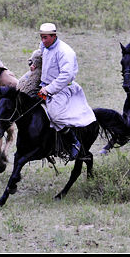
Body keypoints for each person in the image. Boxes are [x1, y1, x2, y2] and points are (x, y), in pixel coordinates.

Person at [37, 22, 96, 159]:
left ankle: (73, 141)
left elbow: (66, 75)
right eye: (41, 37)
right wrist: (33, 63)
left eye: (45, 37)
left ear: (54, 36)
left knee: (55, 115)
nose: (43, 40)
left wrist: (49, 89)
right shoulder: (44, 45)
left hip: (62, 88)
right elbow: (40, 53)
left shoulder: (65, 52)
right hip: (44, 85)